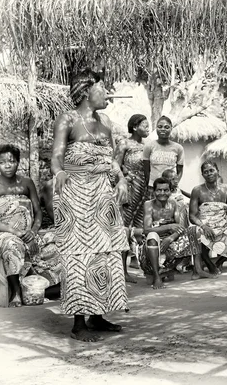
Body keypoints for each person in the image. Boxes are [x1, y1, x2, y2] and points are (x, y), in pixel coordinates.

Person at [52, 69, 130, 342]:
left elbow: (112, 161)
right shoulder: (67, 119)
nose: (107, 93)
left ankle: (97, 315)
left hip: (101, 195)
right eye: (103, 88)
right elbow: (56, 158)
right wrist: (60, 173)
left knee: (105, 255)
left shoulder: (106, 121)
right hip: (74, 194)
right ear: (86, 91)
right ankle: (78, 323)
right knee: (79, 255)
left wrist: (120, 180)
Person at [0, 144, 63, 307]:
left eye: (11, 161)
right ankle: (16, 291)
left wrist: (33, 232)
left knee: (59, 238)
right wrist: (17, 233)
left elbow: (38, 212)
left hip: (28, 233)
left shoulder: (26, 183)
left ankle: (47, 287)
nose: (7, 165)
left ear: (18, 162)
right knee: (12, 244)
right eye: (2, 162)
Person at [141, 177, 207, 288]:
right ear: (154, 191)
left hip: (171, 239)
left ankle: (197, 270)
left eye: (166, 190)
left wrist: (170, 238)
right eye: (159, 190)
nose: (162, 193)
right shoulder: (148, 205)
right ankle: (157, 277)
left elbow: (180, 227)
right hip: (154, 240)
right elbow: (146, 230)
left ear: (171, 191)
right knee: (152, 236)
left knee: (195, 231)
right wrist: (169, 226)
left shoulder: (174, 203)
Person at [189, 161, 227, 272]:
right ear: (202, 175)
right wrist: (204, 226)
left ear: (217, 171)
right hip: (206, 225)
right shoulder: (197, 190)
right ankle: (209, 264)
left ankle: (219, 262)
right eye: (205, 172)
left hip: (223, 224)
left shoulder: (225, 189)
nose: (209, 173)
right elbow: (192, 216)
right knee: (196, 232)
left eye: (211, 170)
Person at [114, 114, 151, 282]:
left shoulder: (148, 146)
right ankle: (121, 271)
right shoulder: (124, 143)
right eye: (145, 125)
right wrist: (124, 176)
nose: (148, 128)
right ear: (135, 127)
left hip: (145, 191)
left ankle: (145, 266)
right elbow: (114, 164)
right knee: (124, 229)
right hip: (129, 189)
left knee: (140, 230)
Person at [143, 116, 185, 195]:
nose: (163, 129)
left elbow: (180, 171)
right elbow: (146, 170)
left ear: (171, 129)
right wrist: (149, 187)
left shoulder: (178, 148)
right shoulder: (149, 146)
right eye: (160, 126)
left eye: (166, 127)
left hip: (170, 189)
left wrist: (174, 183)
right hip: (153, 188)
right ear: (156, 128)